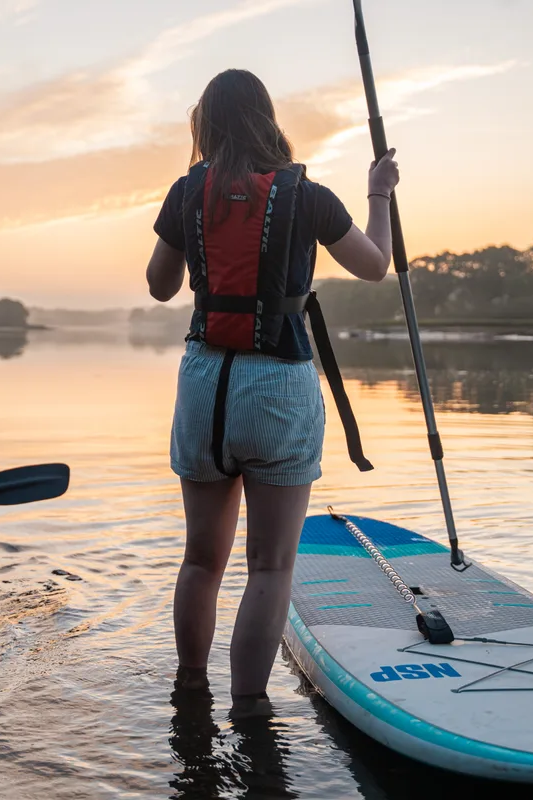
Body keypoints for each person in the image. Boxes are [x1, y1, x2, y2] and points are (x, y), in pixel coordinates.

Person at [146, 69, 398, 705]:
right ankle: (250, 713)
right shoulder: (306, 193)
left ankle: (190, 691)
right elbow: (375, 267)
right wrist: (380, 195)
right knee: (270, 566)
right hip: (279, 385)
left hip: (206, 380)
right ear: (267, 119)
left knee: (201, 560)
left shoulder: (186, 190)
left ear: (206, 123)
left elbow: (159, 285)